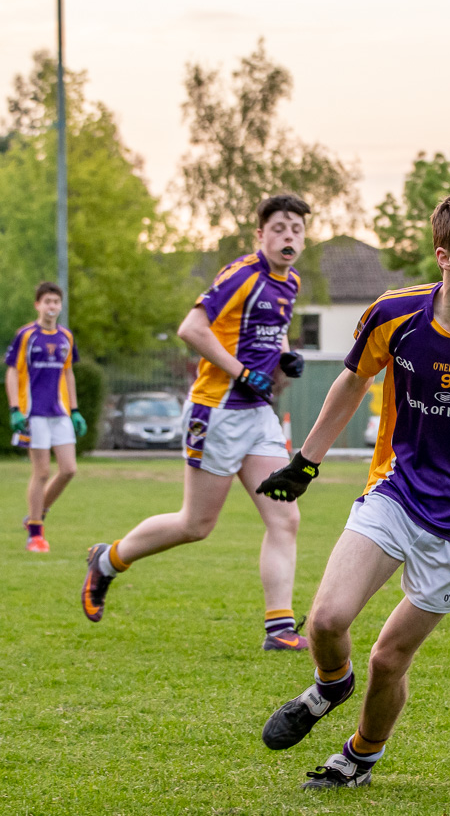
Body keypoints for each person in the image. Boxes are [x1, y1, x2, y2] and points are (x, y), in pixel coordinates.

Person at [255, 191, 450, 790]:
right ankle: (329, 686)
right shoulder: (396, 314)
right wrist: (304, 463)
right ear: (446, 256)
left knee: (389, 659)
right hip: (397, 492)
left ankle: (360, 756)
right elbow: (351, 381)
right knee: (326, 620)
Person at [80, 194, 312, 651]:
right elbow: (192, 328)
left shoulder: (291, 282)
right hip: (217, 409)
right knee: (196, 524)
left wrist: (286, 354)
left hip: (257, 413)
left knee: (285, 519)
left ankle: (279, 629)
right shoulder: (241, 275)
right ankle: (107, 561)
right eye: (280, 228)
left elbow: (272, 328)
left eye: (297, 230)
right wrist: (242, 371)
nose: (289, 237)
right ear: (260, 235)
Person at [6, 282, 86, 552]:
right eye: (47, 301)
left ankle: (35, 514)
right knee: (41, 471)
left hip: (60, 412)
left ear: (60, 306)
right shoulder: (27, 335)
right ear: (37, 305)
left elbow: (68, 373)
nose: (52, 306)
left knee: (68, 469)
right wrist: (15, 408)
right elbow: (13, 372)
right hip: (33, 413)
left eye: (56, 302)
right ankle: (36, 535)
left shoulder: (66, 336)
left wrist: (74, 410)